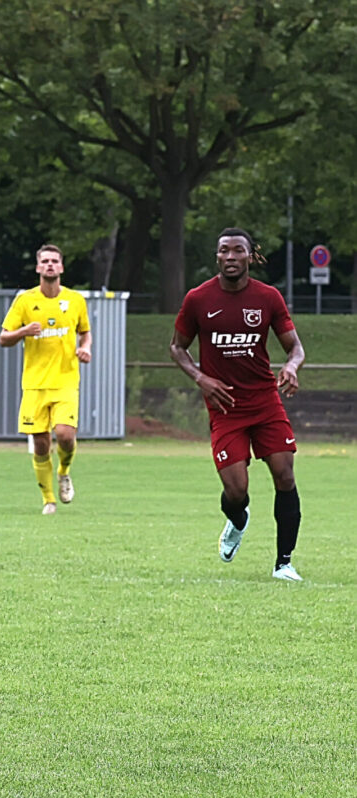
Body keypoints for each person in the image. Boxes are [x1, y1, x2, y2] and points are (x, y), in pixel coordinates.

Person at [169, 227, 305, 582]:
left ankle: (284, 563)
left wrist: (291, 366)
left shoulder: (268, 297)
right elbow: (177, 347)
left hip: (265, 401)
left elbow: (295, 347)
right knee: (236, 490)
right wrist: (200, 377)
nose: (230, 256)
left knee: (285, 475)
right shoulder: (198, 299)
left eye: (237, 250)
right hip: (225, 407)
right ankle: (237, 520)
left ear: (250, 255)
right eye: (224, 250)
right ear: (217, 256)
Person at [0, 243, 92, 514]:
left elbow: (85, 332)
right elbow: (3, 338)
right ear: (38, 267)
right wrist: (23, 331)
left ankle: (64, 472)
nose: (50, 265)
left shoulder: (75, 300)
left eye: (54, 261)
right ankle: (48, 500)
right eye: (45, 261)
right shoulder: (25, 301)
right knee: (40, 443)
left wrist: (85, 348)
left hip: (66, 381)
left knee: (64, 435)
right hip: (34, 384)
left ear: (61, 267)